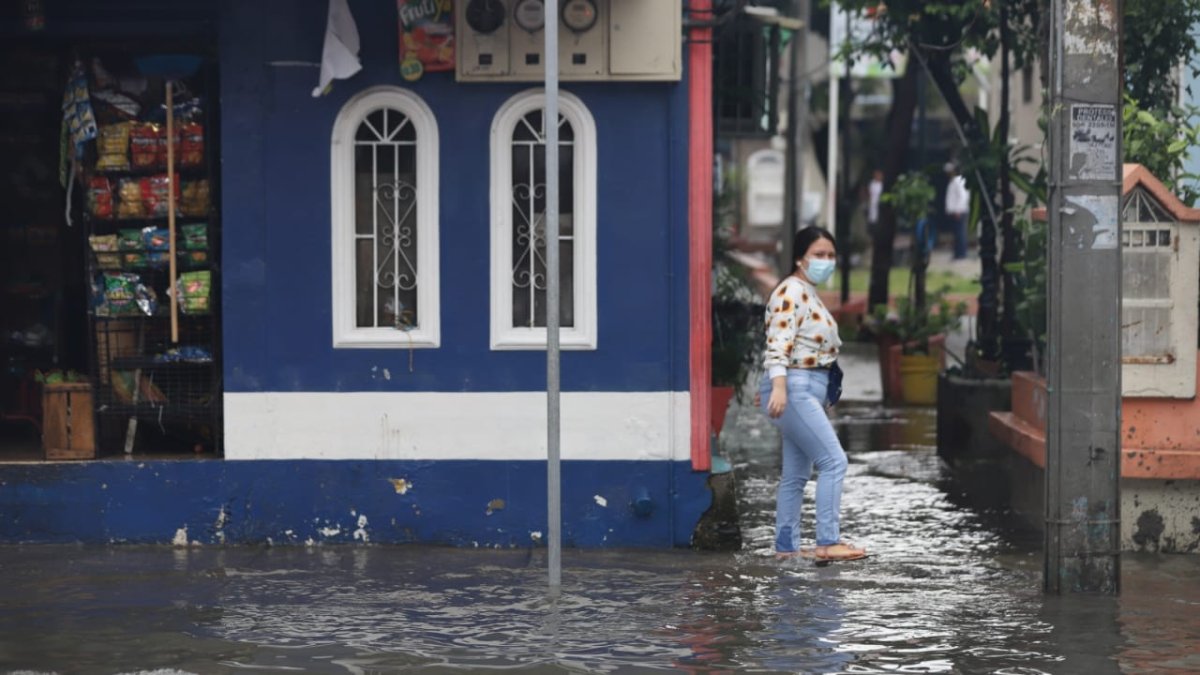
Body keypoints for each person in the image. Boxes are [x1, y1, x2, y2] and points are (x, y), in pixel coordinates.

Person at [758, 226, 866, 562]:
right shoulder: (791, 290)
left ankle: (786, 548)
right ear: (799, 258)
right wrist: (777, 386)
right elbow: (778, 341)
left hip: (803, 389)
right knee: (834, 461)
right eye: (818, 254)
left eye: (831, 255)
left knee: (796, 475)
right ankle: (828, 541)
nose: (826, 261)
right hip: (796, 389)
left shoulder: (806, 292)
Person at [944, 162, 970, 259]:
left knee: (960, 233)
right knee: (957, 233)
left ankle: (961, 253)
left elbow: (962, 196)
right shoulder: (953, 181)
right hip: (955, 211)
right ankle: (957, 253)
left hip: (959, 211)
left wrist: (958, 210)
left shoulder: (958, 181)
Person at [866, 169, 883, 238]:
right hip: (872, 204)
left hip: (880, 205)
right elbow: (869, 194)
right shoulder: (872, 184)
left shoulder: (882, 184)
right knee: (872, 220)